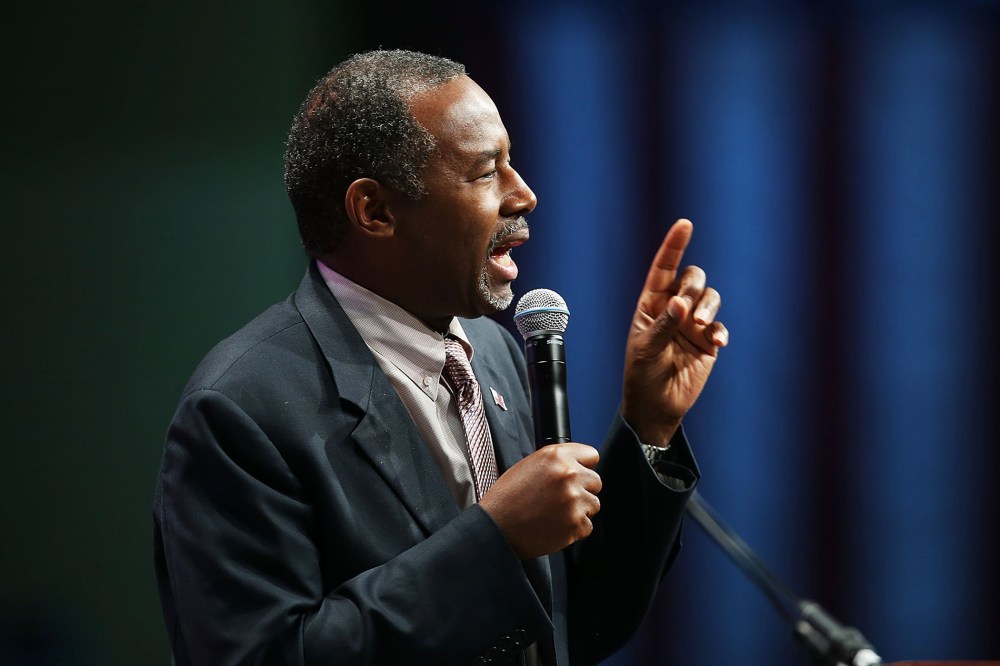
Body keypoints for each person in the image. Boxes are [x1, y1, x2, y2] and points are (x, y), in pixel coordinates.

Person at [153, 49, 728, 666]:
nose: (525, 194)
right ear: (375, 211)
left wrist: (649, 424)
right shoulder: (242, 408)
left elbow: (565, 629)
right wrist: (494, 540)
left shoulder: (494, 352)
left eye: (512, 163)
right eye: (486, 172)